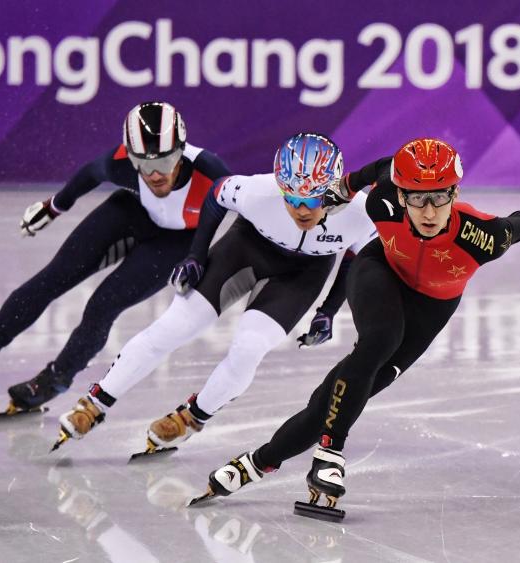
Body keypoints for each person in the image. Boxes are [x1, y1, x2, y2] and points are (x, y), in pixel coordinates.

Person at [195, 138, 520, 516]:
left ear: (455, 193)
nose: (429, 210)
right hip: (380, 271)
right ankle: (330, 454)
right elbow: (382, 169)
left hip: (431, 308)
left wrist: (514, 223)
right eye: (417, 198)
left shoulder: (481, 237)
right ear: (401, 197)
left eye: (439, 197)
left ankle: (254, 464)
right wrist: (349, 185)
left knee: (334, 401)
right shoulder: (381, 203)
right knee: (381, 338)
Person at [53, 133, 378, 453]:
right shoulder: (256, 191)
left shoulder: (362, 212)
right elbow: (215, 196)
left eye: (311, 200)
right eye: (291, 198)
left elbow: (355, 255)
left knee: (249, 349)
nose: (301, 210)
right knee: (175, 326)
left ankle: (191, 419)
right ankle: (95, 402)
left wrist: (329, 309)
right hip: (245, 250)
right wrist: (195, 256)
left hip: (302, 276)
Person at [0, 102, 231, 414]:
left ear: (180, 151)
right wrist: (54, 206)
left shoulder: (211, 171)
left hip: (175, 242)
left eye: (165, 161)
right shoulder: (122, 164)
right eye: (143, 162)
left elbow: (247, 211)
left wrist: (209, 257)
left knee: (103, 304)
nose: (155, 173)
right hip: (130, 213)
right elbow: (91, 172)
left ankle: (56, 378)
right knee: (52, 278)